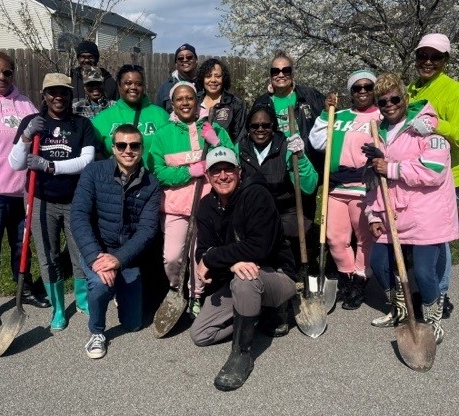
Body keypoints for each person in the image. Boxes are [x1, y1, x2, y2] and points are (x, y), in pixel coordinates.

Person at [192, 146, 298, 391]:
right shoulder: (206, 206)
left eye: (228, 169)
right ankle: (255, 314)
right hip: (235, 277)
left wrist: (215, 258)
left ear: (239, 171)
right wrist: (230, 261)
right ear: (207, 176)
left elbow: (258, 248)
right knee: (201, 335)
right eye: (215, 171)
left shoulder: (256, 195)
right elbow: (202, 254)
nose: (223, 176)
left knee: (246, 279)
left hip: (277, 275)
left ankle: (241, 354)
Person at [363, 73, 458, 344]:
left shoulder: (426, 127)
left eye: (395, 99)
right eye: (383, 102)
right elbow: (372, 180)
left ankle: (432, 319)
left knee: (426, 272)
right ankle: (402, 311)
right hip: (390, 212)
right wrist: (372, 214)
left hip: (426, 214)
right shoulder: (377, 133)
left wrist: (390, 167)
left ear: (405, 98)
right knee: (378, 264)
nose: (390, 105)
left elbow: (434, 171)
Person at [9, 73, 96, 330]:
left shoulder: (81, 125)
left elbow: (86, 161)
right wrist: (26, 137)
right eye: (52, 92)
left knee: (79, 251)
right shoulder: (32, 122)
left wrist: (49, 166)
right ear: (44, 96)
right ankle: (58, 308)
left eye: (63, 92)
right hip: (40, 200)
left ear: (70, 95)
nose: (58, 97)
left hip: (74, 199)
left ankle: (82, 300)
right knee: (48, 254)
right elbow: (15, 164)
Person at [71, 124, 161, 359]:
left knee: (133, 324)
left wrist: (119, 259)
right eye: (121, 145)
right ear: (113, 148)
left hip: (127, 254)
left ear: (142, 149)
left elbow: (147, 230)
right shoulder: (93, 172)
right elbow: (79, 217)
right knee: (100, 284)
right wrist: (95, 256)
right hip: (98, 249)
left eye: (134, 145)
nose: (128, 150)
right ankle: (96, 331)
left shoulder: (151, 183)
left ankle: (120, 291)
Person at [148, 82, 234, 318]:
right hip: (176, 208)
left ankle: (196, 294)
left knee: (201, 254)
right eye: (179, 99)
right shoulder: (163, 135)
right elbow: (157, 172)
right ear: (172, 104)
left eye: (189, 98)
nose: (185, 103)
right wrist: (188, 172)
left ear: (196, 101)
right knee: (172, 256)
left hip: (207, 207)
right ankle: (176, 289)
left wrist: (216, 143)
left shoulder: (213, 128)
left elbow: (232, 160)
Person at [0, 50, 49, 329]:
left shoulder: (23, 102)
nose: (1, 77)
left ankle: (26, 289)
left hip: (22, 191)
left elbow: (38, 137)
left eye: (7, 72)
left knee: (22, 246)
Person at [309, 70, 379, 310]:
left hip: (364, 186)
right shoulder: (338, 116)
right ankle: (347, 279)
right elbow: (317, 142)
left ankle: (361, 281)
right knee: (335, 239)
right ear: (350, 92)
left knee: (364, 238)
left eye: (367, 87)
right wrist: (322, 114)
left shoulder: (380, 117)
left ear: (373, 90)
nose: (362, 91)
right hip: (336, 185)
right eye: (357, 88)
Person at [238, 103, 317, 315]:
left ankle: (285, 288)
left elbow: (309, 186)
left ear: (274, 126)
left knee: (278, 236)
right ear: (248, 127)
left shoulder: (286, 146)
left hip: (285, 210)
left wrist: (299, 157)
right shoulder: (242, 147)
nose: (260, 129)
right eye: (255, 126)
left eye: (266, 125)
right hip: (255, 213)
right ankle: (261, 290)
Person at [407, 33, 458, 318]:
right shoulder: (413, 88)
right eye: (422, 55)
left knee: (439, 238)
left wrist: (437, 125)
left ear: (445, 61)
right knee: (423, 234)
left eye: (435, 57)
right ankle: (427, 290)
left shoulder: (452, 90)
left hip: (448, 175)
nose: (427, 62)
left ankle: (440, 293)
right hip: (418, 174)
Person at [253, 51, 325, 222]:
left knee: (304, 221)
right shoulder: (262, 102)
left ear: (292, 73)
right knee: (273, 219)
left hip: (304, 165)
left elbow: (327, 122)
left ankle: (304, 247)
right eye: (275, 71)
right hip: (275, 168)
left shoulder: (309, 96)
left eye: (285, 70)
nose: (280, 74)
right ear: (270, 75)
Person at [92, 64, 168, 164]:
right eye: (128, 83)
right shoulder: (102, 119)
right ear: (119, 85)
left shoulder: (161, 115)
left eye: (139, 84)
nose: (133, 87)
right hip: (116, 178)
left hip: (154, 178)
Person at [196, 58, 247, 144]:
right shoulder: (194, 102)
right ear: (202, 79)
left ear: (224, 79)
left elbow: (240, 138)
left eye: (218, 76)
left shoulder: (235, 104)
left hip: (224, 155)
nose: (213, 80)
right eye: (208, 76)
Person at [155, 43, 199, 113]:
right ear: (176, 64)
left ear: (196, 60)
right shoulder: (165, 88)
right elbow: (159, 115)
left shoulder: (205, 84)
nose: (185, 60)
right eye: (180, 58)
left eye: (189, 57)